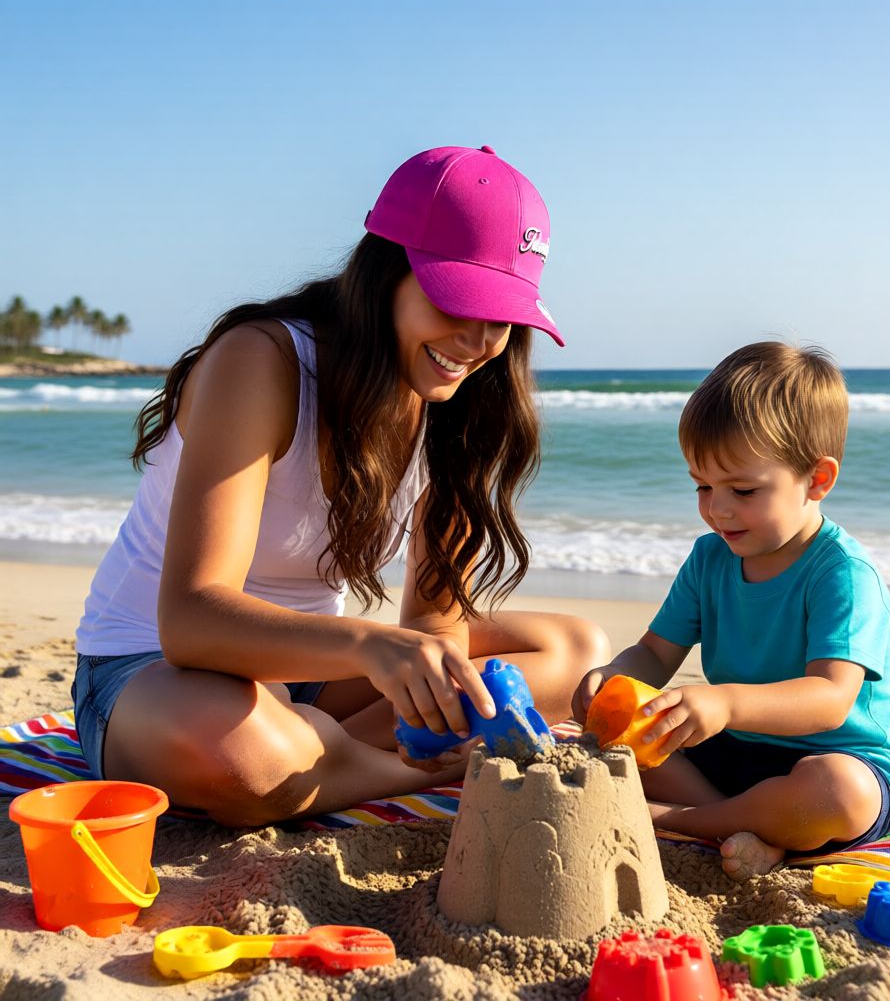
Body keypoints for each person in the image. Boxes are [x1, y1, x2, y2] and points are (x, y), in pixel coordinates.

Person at [74, 145, 608, 826]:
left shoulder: (457, 403)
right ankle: (405, 772)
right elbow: (190, 623)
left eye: (501, 316)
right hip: (149, 673)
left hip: (307, 681)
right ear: (385, 272)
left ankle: (335, 759)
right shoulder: (262, 361)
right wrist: (368, 645)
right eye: (459, 301)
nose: (477, 340)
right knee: (248, 753)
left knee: (573, 649)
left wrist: (416, 670)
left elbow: (433, 627)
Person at [572, 342, 890, 881]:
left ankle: (681, 819)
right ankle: (744, 827)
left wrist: (725, 703)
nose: (717, 509)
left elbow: (829, 698)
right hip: (732, 757)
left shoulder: (842, 574)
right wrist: (612, 678)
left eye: (743, 489)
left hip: (828, 758)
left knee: (838, 794)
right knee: (612, 734)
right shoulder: (711, 558)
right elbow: (656, 652)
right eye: (703, 486)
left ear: (817, 480)